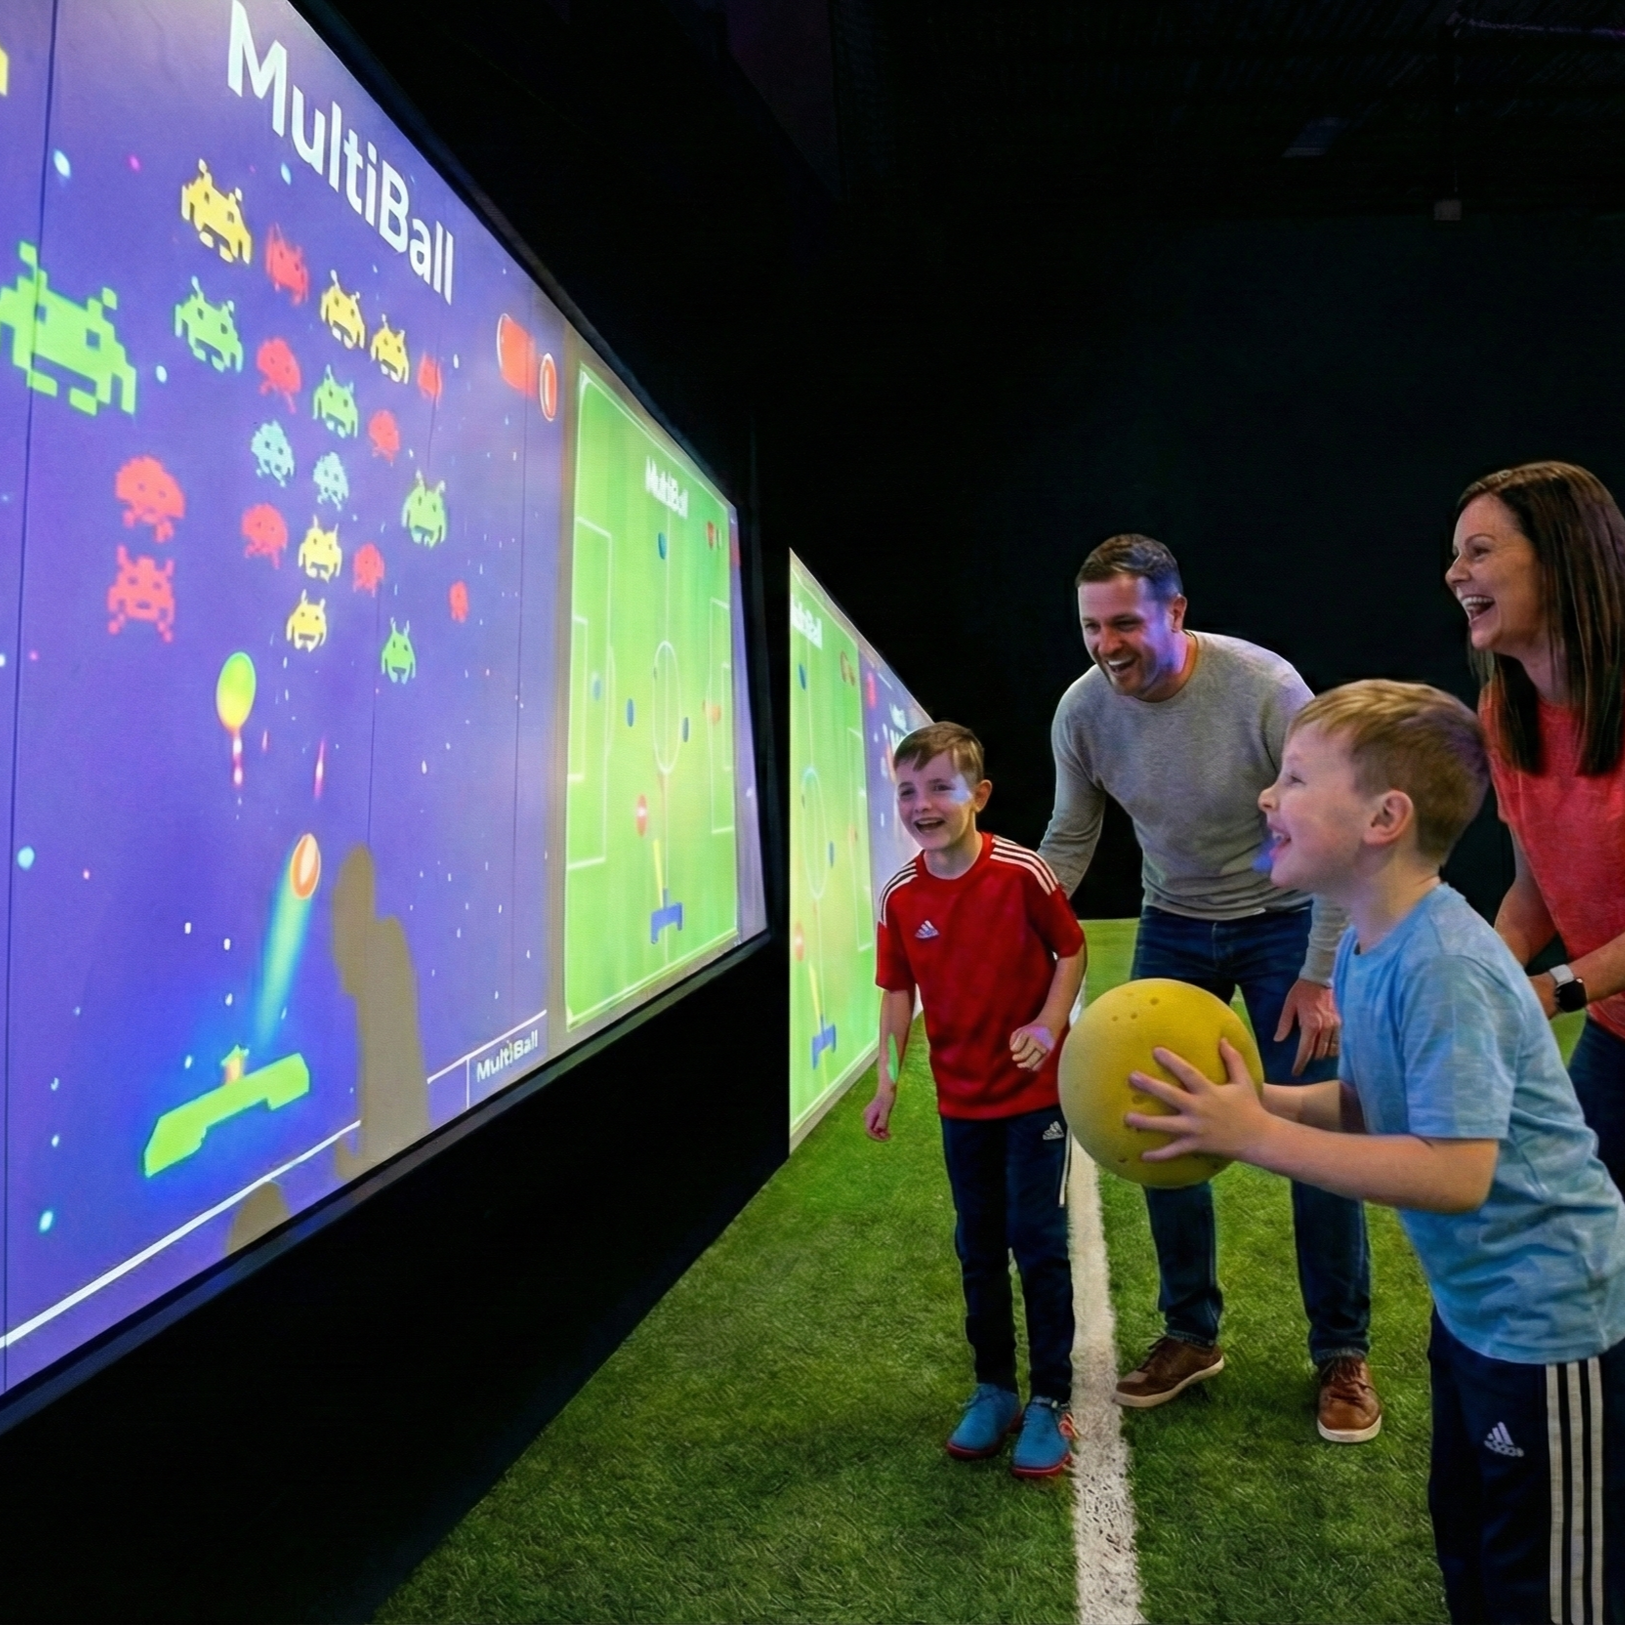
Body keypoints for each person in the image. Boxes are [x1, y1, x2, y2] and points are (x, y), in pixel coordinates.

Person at [1128, 679, 1625, 1625]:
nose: (1267, 795)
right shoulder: (1367, 945)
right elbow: (1367, 1104)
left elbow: (1454, 1171)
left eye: (1295, 777)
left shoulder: (1444, 962)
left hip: (1549, 1320)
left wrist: (1255, 1136)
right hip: (1474, 1308)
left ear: (1383, 818)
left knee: (1543, 1581)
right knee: (1468, 1541)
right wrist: (1255, 1102)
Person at [1039, 534, 1377, 1442]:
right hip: (1174, 920)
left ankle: (1340, 1350)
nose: (1105, 645)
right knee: (1159, 1125)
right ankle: (1190, 1332)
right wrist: (1014, 928)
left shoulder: (1265, 688)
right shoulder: (1082, 711)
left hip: (1283, 922)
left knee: (1313, 1134)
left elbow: (1335, 828)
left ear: (1175, 612)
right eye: (1090, 626)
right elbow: (1069, 838)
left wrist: (1317, 974)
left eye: (1124, 623)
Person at [862, 722, 1086, 1478]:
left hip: (1035, 1100)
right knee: (978, 1247)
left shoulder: (1022, 872)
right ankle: (994, 1388)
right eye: (907, 791)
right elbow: (897, 992)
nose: (922, 805)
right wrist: (887, 1081)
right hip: (962, 1107)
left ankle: (1050, 1398)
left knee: (1039, 1242)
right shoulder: (899, 895)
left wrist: (1048, 1025)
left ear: (979, 795)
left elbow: (1071, 949)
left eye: (940, 787)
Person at [1446, 461, 1625, 1190]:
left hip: (1591, 1003)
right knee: (1566, 1229)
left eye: (1480, 551)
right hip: (1616, 1030)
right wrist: (1481, 979)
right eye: (1455, 555)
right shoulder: (1503, 712)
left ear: (1560, 558)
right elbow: (1536, 891)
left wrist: (1553, 989)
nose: (1455, 574)